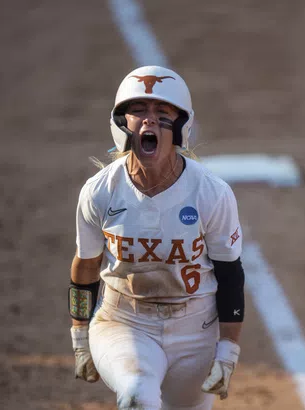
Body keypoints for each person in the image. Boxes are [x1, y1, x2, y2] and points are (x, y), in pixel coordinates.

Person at [68, 65, 245, 410]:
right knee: (137, 395)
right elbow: (85, 267)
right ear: (122, 124)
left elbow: (229, 274)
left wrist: (227, 351)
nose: (149, 121)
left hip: (197, 328)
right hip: (124, 322)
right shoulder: (100, 192)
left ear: (180, 127)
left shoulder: (211, 193)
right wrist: (79, 337)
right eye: (138, 111)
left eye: (162, 112)